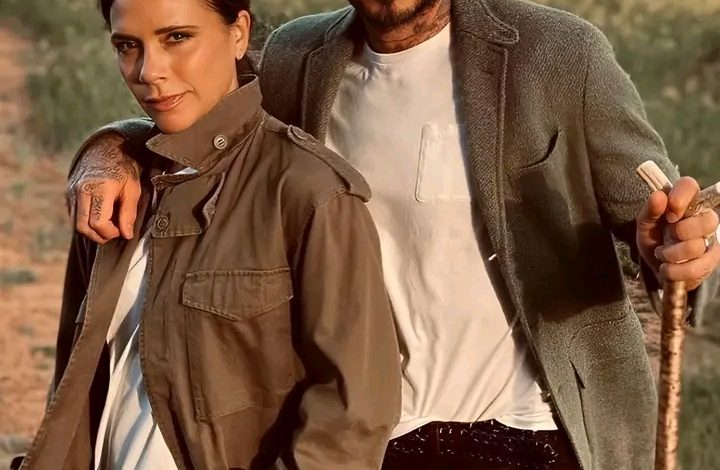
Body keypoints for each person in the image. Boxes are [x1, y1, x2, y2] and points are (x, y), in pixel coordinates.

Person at [62, 0, 720, 468]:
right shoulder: (297, 55)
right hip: (371, 438)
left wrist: (676, 251)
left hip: (535, 432)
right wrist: (109, 147)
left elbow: (664, 222)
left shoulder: (560, 53)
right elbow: (197, 104)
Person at [15, 0, 402, 469]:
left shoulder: (310, 192)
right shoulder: (115, 189)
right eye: (127, 46)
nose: (149, 71)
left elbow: (352, 419)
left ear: (238, 33)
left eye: (177, 37)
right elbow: (75, 388)